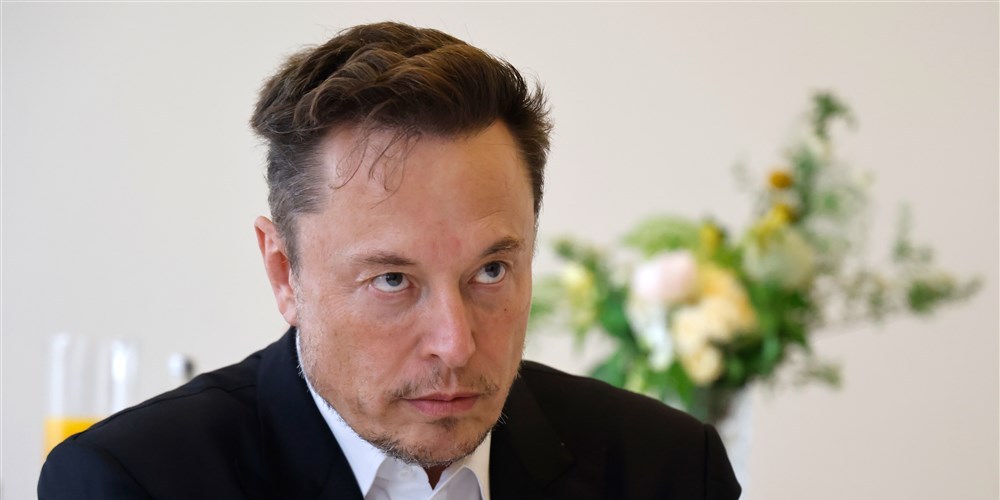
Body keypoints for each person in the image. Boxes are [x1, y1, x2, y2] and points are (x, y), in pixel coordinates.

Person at [38, 22, 741, 499]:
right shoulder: (132, 483)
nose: (455, 345)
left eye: (491, 271)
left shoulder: (669, 472)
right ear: (284, 273)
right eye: (393, 280)